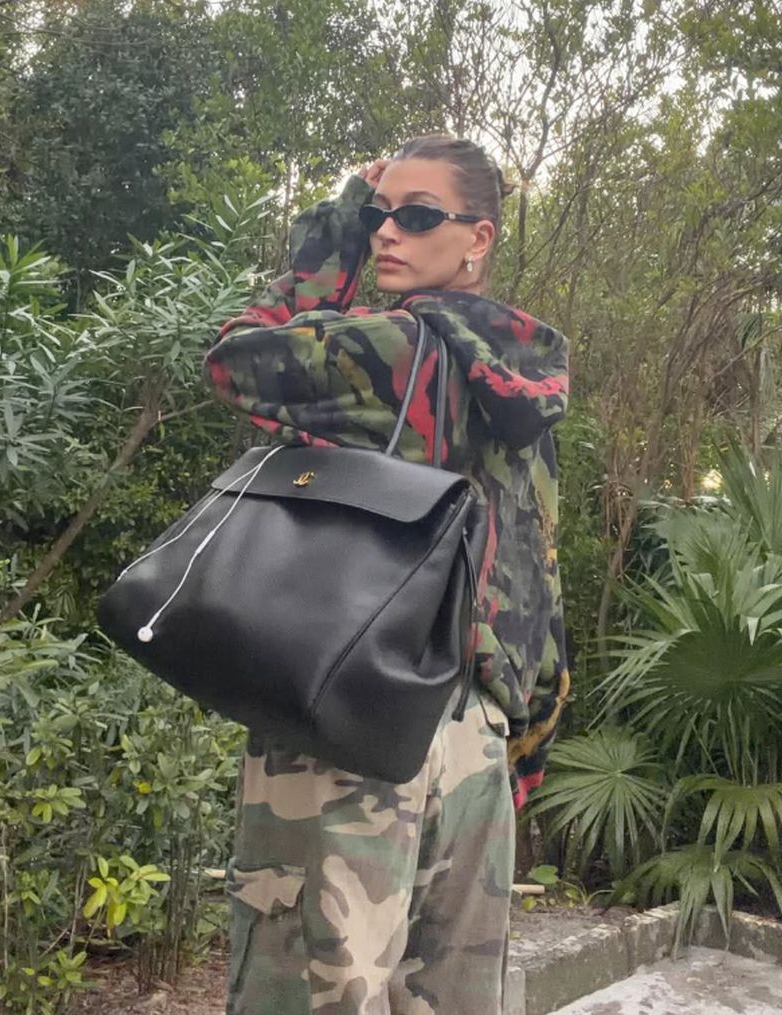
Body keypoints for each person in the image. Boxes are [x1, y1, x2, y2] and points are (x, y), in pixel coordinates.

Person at [205, 135, 570, 1015]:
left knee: (307, 990)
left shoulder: (397, 348)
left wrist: (334, 227)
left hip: (352, 714)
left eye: (417, 215)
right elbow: (536, 571)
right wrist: (519, 740)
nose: (387, 233)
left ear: (478, 237)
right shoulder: (526, 377)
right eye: (377, 216)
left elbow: (236, 356)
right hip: (475, 733)